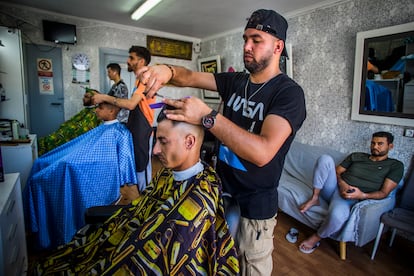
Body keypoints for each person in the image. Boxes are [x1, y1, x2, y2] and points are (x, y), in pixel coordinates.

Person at [135, 9, 306, 275]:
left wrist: (207, 116)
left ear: (278, 46)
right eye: (245, 38)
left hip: (256, 205)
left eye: (256, 39)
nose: (246, 46)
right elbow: (189, 77)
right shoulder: (236, 81)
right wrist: (166, 70)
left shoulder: (289, 94)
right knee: (216, 262)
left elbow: (262, 152)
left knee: (250, 267)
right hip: (220, 191)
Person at [31, 105, 240, 275]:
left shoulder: (198, 199)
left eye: (162, 142)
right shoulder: (169, 173)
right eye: (156, 139)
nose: (155, 150)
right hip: (126, 240)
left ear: (190, 142)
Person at [24, 102, 137, 249]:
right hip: (75, 162)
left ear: (111, 110)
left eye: (100, 108)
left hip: (82, 169)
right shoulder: (102, 128)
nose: (96, 110)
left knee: (42, 178)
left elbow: (123, 165)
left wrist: (72, 164)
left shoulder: (120, 133)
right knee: (40, 162)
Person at [298, 131, 404, 254]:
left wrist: (362, 195)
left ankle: (317, 237)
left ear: (390, 146)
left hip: (350, 198)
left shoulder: (395, 165)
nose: (375, 147)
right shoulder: (357, 156)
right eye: (373, 143)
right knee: (325, 159)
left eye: (380, 144)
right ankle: (315, 197)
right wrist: (343, 184)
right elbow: (336, 172)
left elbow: (384, 193)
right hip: (335, 188)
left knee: (337, 216)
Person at [93, 46, 155, 192]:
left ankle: (147, 202)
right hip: (136, 126)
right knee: (138, 166)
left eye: (131, 58)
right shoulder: (138, 80)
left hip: (144, 129)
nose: (127, 61)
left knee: (143, 168)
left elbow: (131, 104)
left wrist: (104, 97)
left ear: (141, 61)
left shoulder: (146, 79)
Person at [37, 63, 129, 156]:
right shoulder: (114, 86)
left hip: (115, 121)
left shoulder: (121, 87)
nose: (108, 74)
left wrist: (102, 99)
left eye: (109, 72)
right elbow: (109, 101)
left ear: (115, 72)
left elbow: (116, 104)